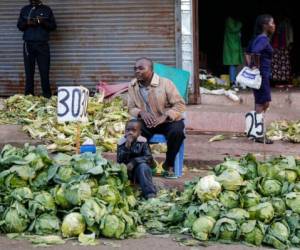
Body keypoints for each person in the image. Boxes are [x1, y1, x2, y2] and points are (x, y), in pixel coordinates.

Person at [128, 58, 185, 178]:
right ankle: (150, 162)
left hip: (167, 121)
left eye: (141, 68)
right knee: (133, 130)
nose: (137, 71)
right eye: (135, 69)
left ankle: (169, 164)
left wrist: (166, 116)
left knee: (177, 131)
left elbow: (180, 105)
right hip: (147, 122)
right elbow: (131, 108)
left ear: (151, 70)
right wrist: (141, 113)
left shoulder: (165, 83)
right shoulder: (133, 85)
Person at [245, 15, 276, 144]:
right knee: (264, 102)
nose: (274, 25)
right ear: (265, 25)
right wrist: (256, 69)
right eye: (272, 23)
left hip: (260, 75)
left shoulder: (256, 38)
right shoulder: (263, 39)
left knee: (261, 102)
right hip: (262, 75)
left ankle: (255, 131)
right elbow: (255, 53)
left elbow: (247, 53)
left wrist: (251, 68)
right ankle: (258, 134)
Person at [17, 0, 57, 98]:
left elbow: (53, 27)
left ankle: (47, 96)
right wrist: (27, 23)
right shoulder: (25, 9)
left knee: (44, 71)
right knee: (29, 72)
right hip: (28, 45)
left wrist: (43, 22)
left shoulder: (47, 10)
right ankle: (29, 96)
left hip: (42, 45)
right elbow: (20, 26)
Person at [117, 119, 156, 199]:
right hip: (127, 172)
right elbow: (120, 160)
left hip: (140, 171)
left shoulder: (143, 142)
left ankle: (150, 194)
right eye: (128, 130)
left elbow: (148, 157)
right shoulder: (121, 143)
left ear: (139, 133)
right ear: (124, 131)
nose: (130, 132)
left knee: (143, 166)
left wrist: (134, 161)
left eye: (134, 130)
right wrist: (127, 147)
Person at [223, 16, 244, 88]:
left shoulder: (232, 20)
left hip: (234, 46)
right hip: (231, 46)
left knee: (234, 64)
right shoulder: (229, 20)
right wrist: (240, 24)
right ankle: (232, 82)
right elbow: (234, 29)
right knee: (232, 64)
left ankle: (234, 81)